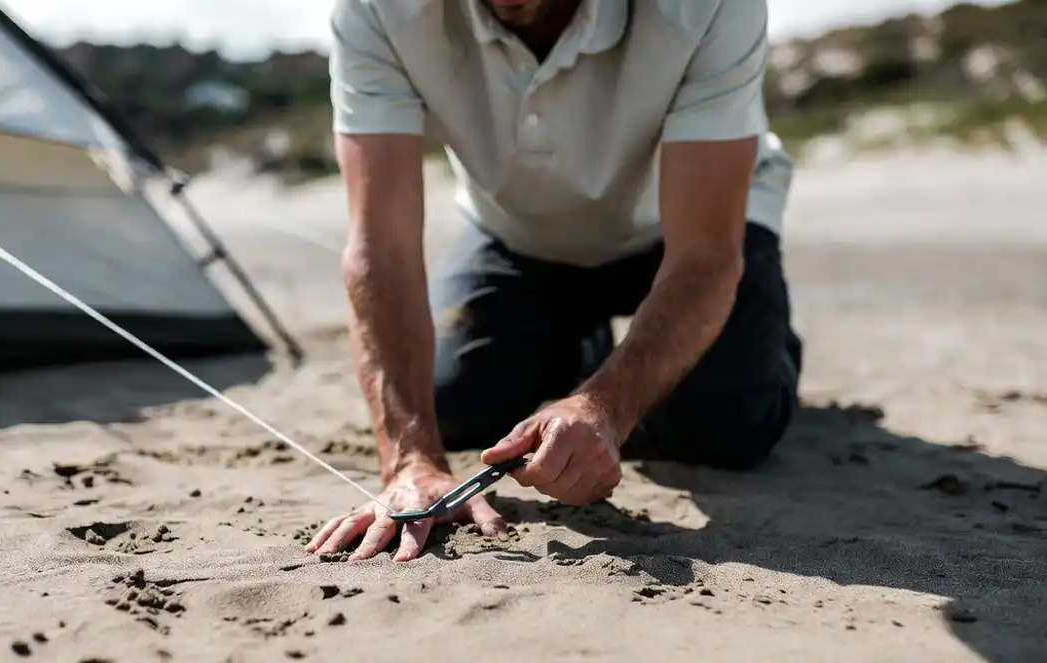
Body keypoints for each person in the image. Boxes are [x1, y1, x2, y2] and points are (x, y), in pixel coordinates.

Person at [306, 0, 801, 563]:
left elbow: (704, 255)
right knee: (453, 405)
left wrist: (605, 406)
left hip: (685, 232)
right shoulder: (374, 9)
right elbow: (382, 247)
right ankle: (585, 350)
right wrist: (410, 462)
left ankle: (759, 344)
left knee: (727, 423)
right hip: (519, 235)